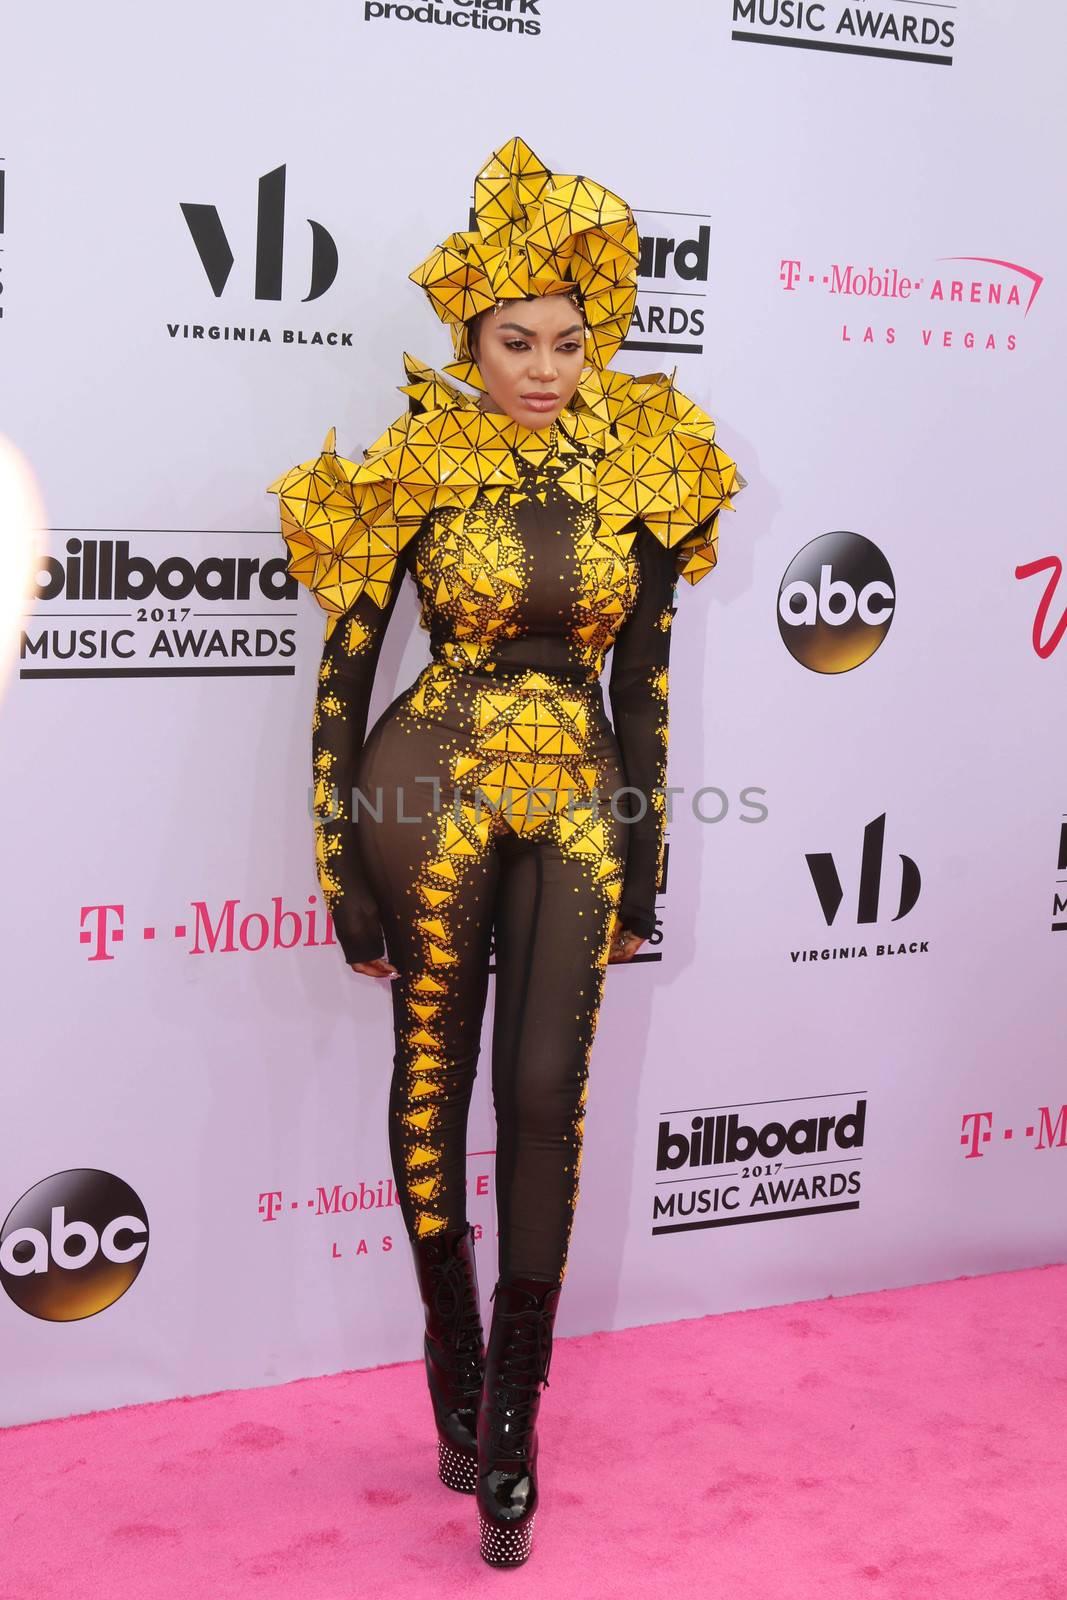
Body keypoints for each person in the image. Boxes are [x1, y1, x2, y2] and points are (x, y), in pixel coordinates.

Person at [268, 134, 744, 1569]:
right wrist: (338, 859)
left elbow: (645, 686)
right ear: (467, 341)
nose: (546, 366)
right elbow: (345, 680)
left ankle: (517, 1420)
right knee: (434, 1064)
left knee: (545, 1090)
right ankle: (449, 1356)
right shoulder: (415, 458)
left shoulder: (654, 462)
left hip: (581, 796)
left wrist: (647, 865)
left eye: (571, 341)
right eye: (516, 340)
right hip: (430, 787)